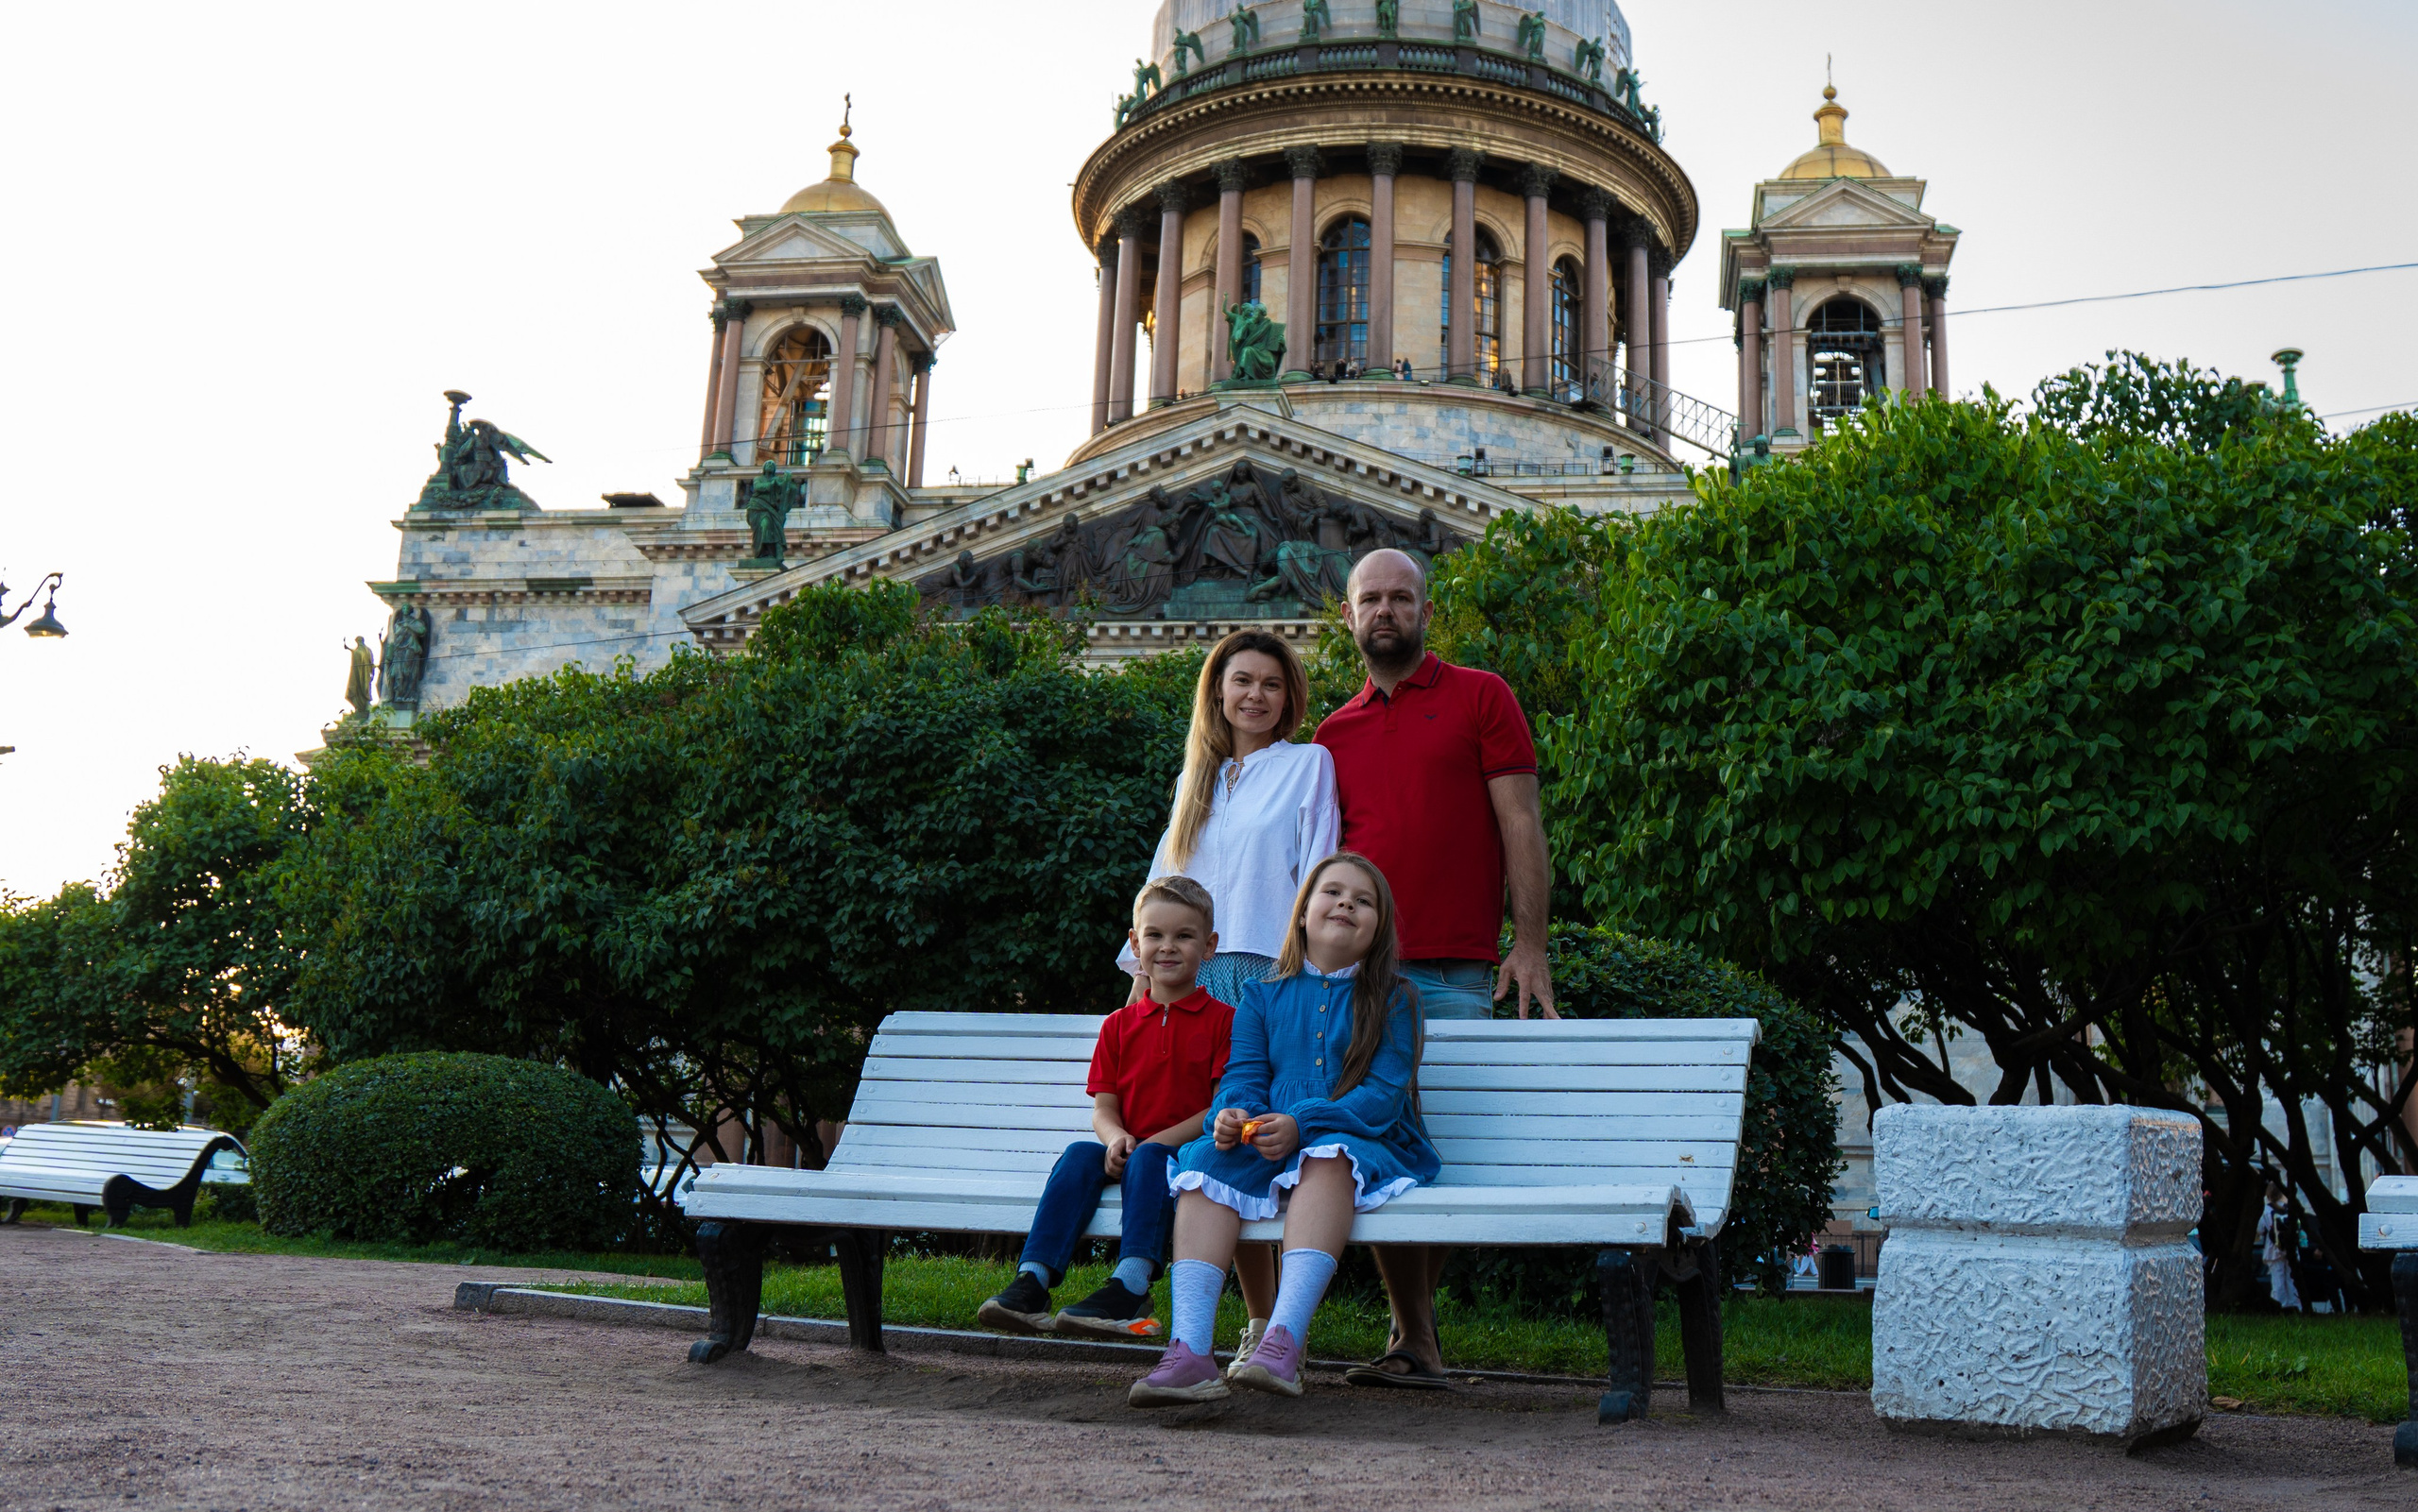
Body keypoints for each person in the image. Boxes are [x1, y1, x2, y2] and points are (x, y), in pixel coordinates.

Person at [1315, 546, 1556, 1390]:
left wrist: (1529, 945)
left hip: (1457, 967)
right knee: (1375, 1143)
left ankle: (1412, 1332)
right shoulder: (1330, 735)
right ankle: (1415, 1334)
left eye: (1401, 598)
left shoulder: (1481, 696)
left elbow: (1521, 824)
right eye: (1370, 599)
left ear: (1425, 611)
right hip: (1359, 978)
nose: (1386, 611)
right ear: (1347, 616)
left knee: (1441, 1146)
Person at [1129, 853, 1438, 1405]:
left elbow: (1381, 1097)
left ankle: (1284, 1342)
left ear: (1379, 927)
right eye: (1333, 892)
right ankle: (1189, 1352)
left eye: (1363, 901)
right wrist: (1234, 1114)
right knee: (1202, 1162)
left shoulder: (1396, 999)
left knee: (1329, 1154)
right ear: (1301, 914)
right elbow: (1243, 1077)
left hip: (1366, 1136)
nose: (1346, 903)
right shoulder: (1261, 995)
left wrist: (1305, 1122)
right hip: (1272, 1136)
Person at [1116, 628, 1334, 1358]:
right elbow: (1163, 885)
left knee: (1257, 1143)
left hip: (1269, 974)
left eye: (1271, 683)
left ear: (1288, 696)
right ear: (1218, 690)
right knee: (1218, 1145)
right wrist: (1141, 983)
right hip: (1194, 979)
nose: (1255, 695)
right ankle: (1248, 1320)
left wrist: (1308, 980)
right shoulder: (1195, 780)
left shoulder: (1308, 765)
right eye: (1242, 680)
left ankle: (1276, 1328)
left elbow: (1318, 866)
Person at [977, 876, 1237, 1339]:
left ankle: (1131, 1287)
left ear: (1209, 945)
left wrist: (1153, 1144)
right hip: (1130, 1150)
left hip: (1187, 1156)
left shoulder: (1224, 1021)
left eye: (1184, 936)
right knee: (1080, 1153)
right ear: (1135, 944)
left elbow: (1219, 1108)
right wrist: (1116, 1138)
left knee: (1153, 1158)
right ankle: (1032, 1281)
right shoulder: (1118, 1026)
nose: (1168, 947)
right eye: (1155, 935)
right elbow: (1104, 1108)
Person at [2256, 1181, 2302, 1313]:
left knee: (2278, 1281)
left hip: (2273, 1250)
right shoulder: (2290, 1209)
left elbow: (2259, 1230)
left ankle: (2280, 1308)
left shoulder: (2266, 1210)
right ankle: (2295, 1307)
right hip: (2291, 1250)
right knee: (2291, 1280)